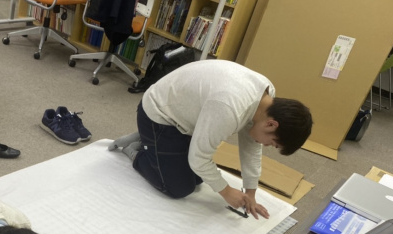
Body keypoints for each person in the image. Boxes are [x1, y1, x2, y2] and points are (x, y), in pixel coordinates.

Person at [110, 60, 313, 219]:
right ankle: (138, 150)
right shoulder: (229, 108)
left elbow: (251, 147)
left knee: (198, 179)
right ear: (271, 124)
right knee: (178, 188)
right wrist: (226, 191)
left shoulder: (267, 99)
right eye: (272, 143)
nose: (266, 145)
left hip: (185, 118)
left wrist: (250, 192)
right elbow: (198, 159)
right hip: (159, 114)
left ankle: (151, 141)